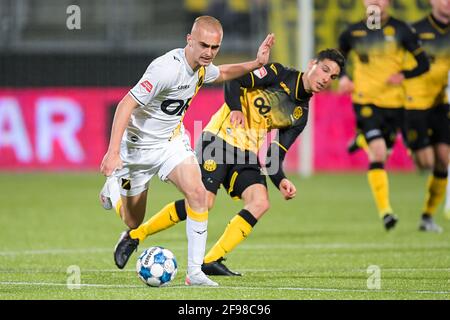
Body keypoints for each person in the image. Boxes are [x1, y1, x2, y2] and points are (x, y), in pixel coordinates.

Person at [122, 48, 345, 276]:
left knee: (260, 202)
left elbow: (273, 156)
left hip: (247, 154)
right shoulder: (279, 73)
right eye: (325, 70)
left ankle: (210, 260)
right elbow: (234, 81)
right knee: (204, 201)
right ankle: (136, 234)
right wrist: (237, 109)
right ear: (312, 64)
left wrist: (282, 181)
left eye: (333, 77)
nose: (326, 79)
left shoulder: (300, 114)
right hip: (219, 139)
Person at [99, 15, 275, 286]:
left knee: (199, 195)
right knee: (133, 221)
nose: (209, 53)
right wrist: (113, 153)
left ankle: (195, 272)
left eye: (215, 48)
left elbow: (225, 73)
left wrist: (257, 63)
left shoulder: (202, 67)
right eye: (204, 45)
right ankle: (113, 188)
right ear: (189, 41)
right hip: (137, 151)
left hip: (171, 143)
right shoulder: (165, 69)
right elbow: (125, 104)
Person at [338, 0, 430, 230]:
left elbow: (424, 63)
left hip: (396, 104)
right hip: (365, 101)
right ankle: (386, 212)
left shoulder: (402, 30)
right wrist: (343, 77)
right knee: (378, 152)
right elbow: (337, 59)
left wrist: (404, 74)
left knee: (419, 161)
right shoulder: (352, 32)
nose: (375, 2)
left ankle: (361, 139)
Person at [402, 0, 450, 232]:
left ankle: (427, 216)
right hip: (414, 104)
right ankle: (411, 145)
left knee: (443, 159)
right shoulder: (415, 31)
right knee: (426, 163)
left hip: (442, 103)